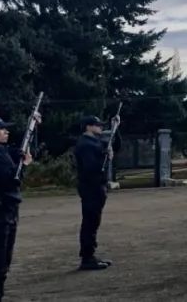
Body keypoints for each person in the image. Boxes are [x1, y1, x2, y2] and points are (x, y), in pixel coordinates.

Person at [0, 114, 39, 302]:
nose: (6, 131)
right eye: (1, 128)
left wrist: (33, 126)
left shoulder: (3, 151)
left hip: (8, 210)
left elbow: (26, 149)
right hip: (0, 212)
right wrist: (24, 167)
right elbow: (9, 180)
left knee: (4, 261)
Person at [73, 116, 114, 271]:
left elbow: (114, 145)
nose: (101, 127)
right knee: (90, 222)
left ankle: (90, 255)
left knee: (93, 221)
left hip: (97, 186)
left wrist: (115, 128)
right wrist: (105, 156)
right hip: (90, 187)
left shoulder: (95, 142)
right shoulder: (85, 145)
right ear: (88, 127)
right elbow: (91, 167)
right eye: (97, 125)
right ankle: (87, 258)